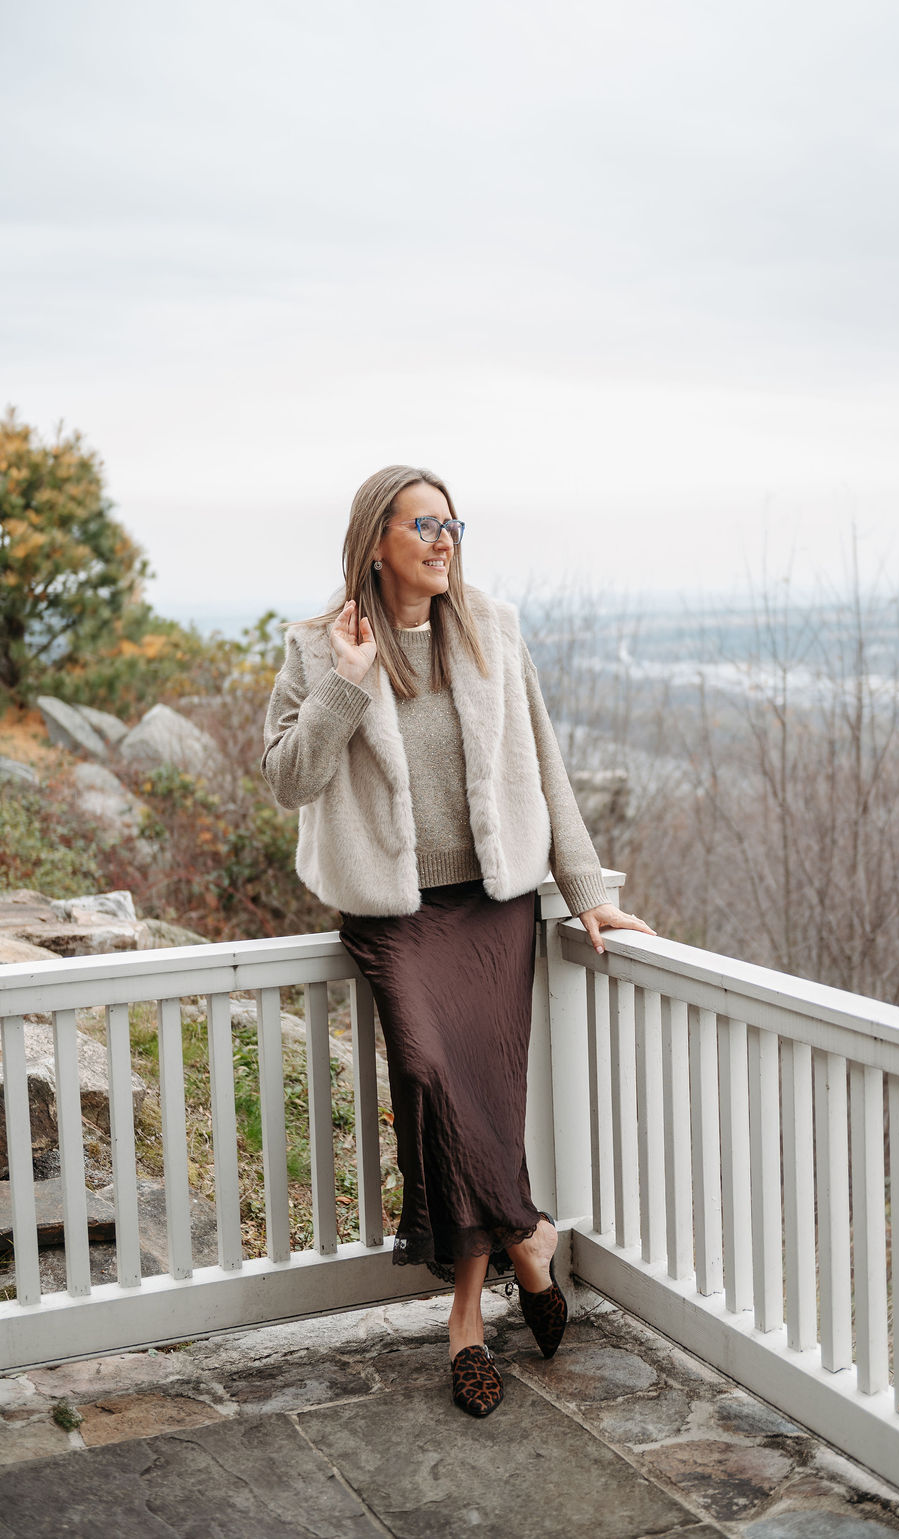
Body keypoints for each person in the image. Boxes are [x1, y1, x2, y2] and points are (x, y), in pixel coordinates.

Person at [261, 465, 653, 1418]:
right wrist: (347, 684)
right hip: (392, 913)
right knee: (431, 1075)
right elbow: (287, 779)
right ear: (377, 542)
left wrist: (586, 891)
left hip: (492, 905)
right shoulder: (318, 646)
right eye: (424, 526)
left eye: (452, 525)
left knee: (485, 1106)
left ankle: (467, 1322)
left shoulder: (490, 628)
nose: (445, 541)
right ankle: (529, 1237)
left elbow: (545, 765)